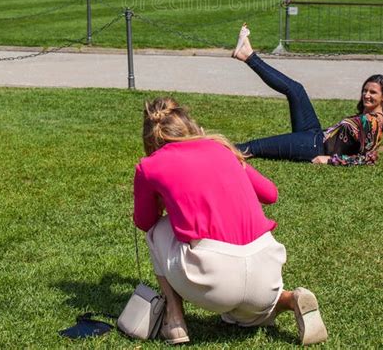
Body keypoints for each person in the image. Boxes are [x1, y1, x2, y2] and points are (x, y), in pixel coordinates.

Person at [133, 98, 328, 346]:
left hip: (213, 277)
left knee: (158, 229)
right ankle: (290, 299)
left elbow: (144, 221)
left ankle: (175, 318)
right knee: (243, 316)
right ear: (189, 126)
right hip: (266, 269)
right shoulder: (221, 149)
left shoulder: (150, 166)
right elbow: (270, 193)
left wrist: (165, 200)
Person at [232, 25, 383, 165]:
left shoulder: (373, 122)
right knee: (296, 89)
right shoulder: (371, 116)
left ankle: (215, 150)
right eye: (365, 90)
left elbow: (368, 159)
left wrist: (329, 160)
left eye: (373, 92)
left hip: (313, 147)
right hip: (315, 134)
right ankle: (248, 55)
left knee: (253, 148)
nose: (366, 95)